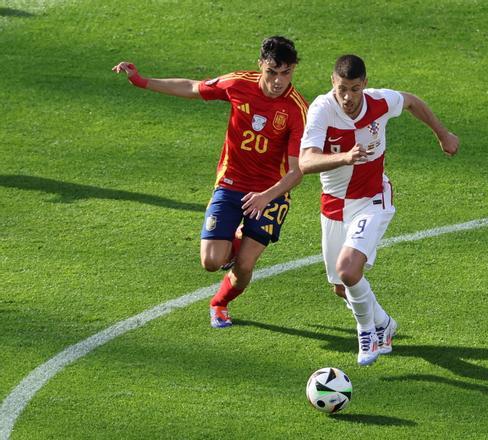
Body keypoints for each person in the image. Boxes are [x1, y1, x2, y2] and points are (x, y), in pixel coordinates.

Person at [112, 36, 308, 329]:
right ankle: (238, 236)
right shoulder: (238, 84)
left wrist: (266, 196)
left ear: (293, 70)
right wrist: (141, 81)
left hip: (272, 193)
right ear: (260, 66)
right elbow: (193, 87)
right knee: (211, 262)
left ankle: (220, 303)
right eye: (272, 72)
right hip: (231, 183)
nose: (279, 81)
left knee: (244, 266)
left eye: (286, 73)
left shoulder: (296, 109)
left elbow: (298, 171)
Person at [299, 54, 459, 366]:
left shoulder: (380, 103)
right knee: (340, 287)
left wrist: (443, 133)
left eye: (355, 89)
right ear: (333, 82)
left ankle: (367, 333)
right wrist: (345, 157)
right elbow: (306, 162)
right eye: (342, 88)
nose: (347, 97)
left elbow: (412, 102)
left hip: (372, 199)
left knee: (348, 270)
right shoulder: (322, 109)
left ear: (365, 85)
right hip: (333, 205)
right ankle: (384, 323)